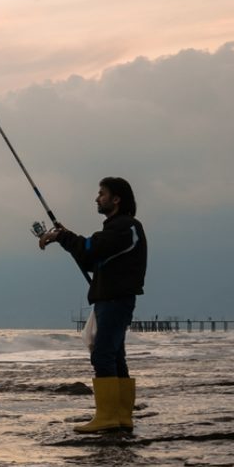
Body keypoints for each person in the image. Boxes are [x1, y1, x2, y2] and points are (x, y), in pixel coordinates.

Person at [38, 177, 147, 432]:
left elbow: (90, 249)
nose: (97, 198)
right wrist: (64, 239)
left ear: (116, 198)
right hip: (112, 299)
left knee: (103, 355)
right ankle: (120, 417)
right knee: (115, 355)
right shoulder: (117, 229)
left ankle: (108, 417)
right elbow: (89, 258)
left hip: (115, 300)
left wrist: (63, 236)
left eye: (101, 194)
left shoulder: (125, 227)